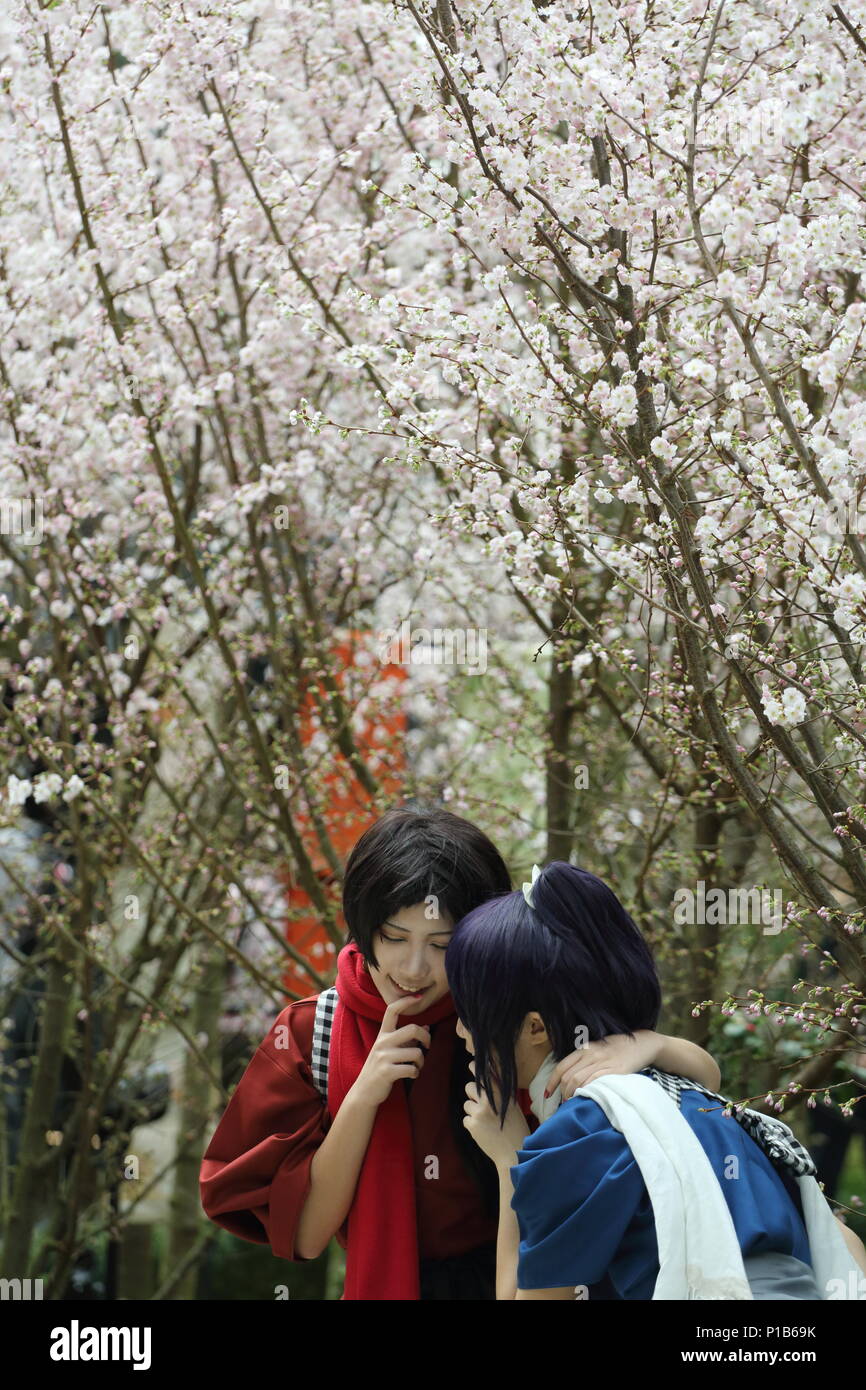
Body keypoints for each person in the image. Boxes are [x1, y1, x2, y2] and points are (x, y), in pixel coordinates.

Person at [200, 809, 723, 1300]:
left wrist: (649, 1041)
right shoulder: (314, 1029)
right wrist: (362, 1098)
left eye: (442, 945)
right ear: (364, 927)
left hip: (542, 1272)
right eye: (393, 937)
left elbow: (685, 1095)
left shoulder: (512, 1017)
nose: (413, 968)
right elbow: (308, 1238)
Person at [447, 860, 866, 1300]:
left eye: (469, 1015)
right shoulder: (692, 1099)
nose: (459, 1030)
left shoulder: (578, 1135)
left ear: (536, 1029)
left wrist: (509, 1162)